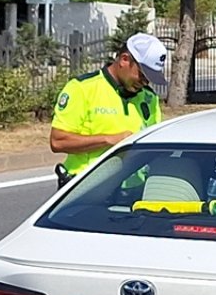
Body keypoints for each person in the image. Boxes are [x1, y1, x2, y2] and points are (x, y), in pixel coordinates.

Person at [50, 33, 168, 185]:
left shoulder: (149, 98)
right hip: (85, 189)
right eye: (142, 74)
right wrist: (108, 140)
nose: (145, 82)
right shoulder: (82, 89)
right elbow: (58, 142)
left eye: (150, 78)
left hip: (133, 190)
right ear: (124, 60)